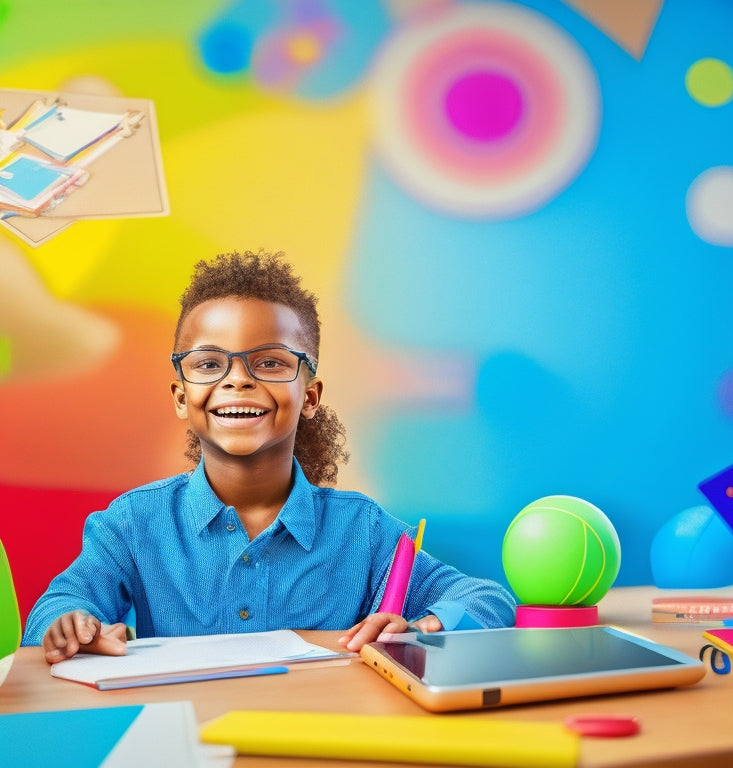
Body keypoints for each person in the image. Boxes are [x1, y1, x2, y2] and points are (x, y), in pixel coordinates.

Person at [22, 250, 516, 663]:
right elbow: (56, 609)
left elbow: (488, 600)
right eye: (210, 363)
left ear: (311, 395)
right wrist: (70, 623)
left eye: (270, 362)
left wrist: (426, 625)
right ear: (180, 396)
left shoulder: (363, 531)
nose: (238, 379)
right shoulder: (133, 523)